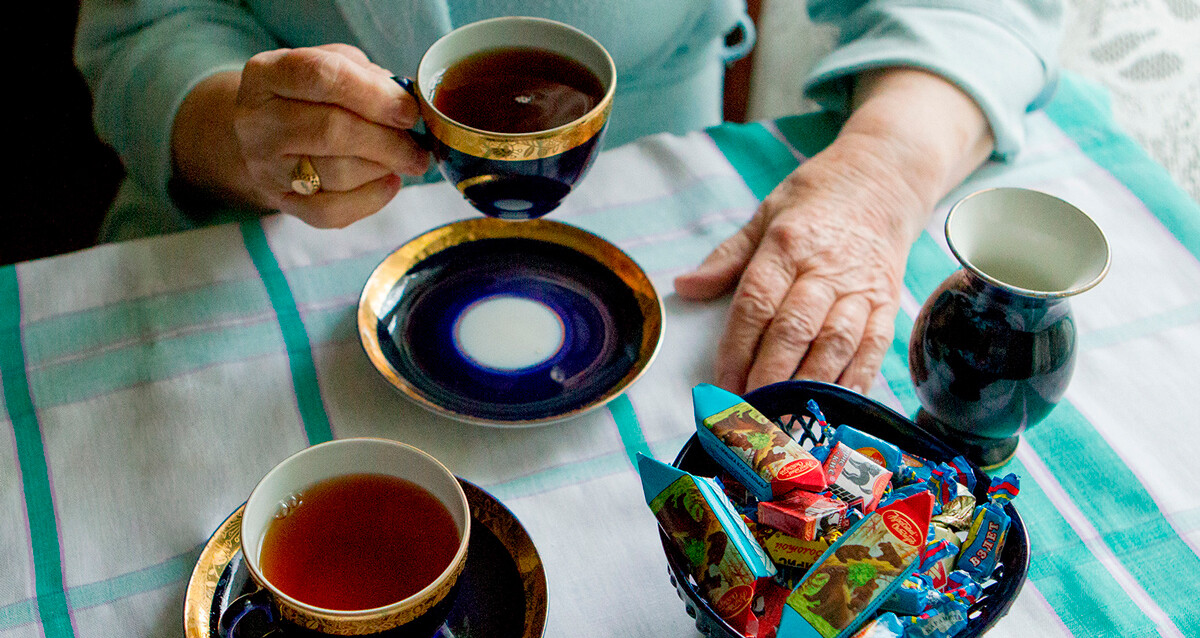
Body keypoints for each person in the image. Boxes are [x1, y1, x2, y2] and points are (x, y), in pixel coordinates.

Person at [75, 0, 1061, 396]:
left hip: (664, 230)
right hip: (239, 250)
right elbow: (142, 30)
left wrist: (878, 174)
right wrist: (235, 131)